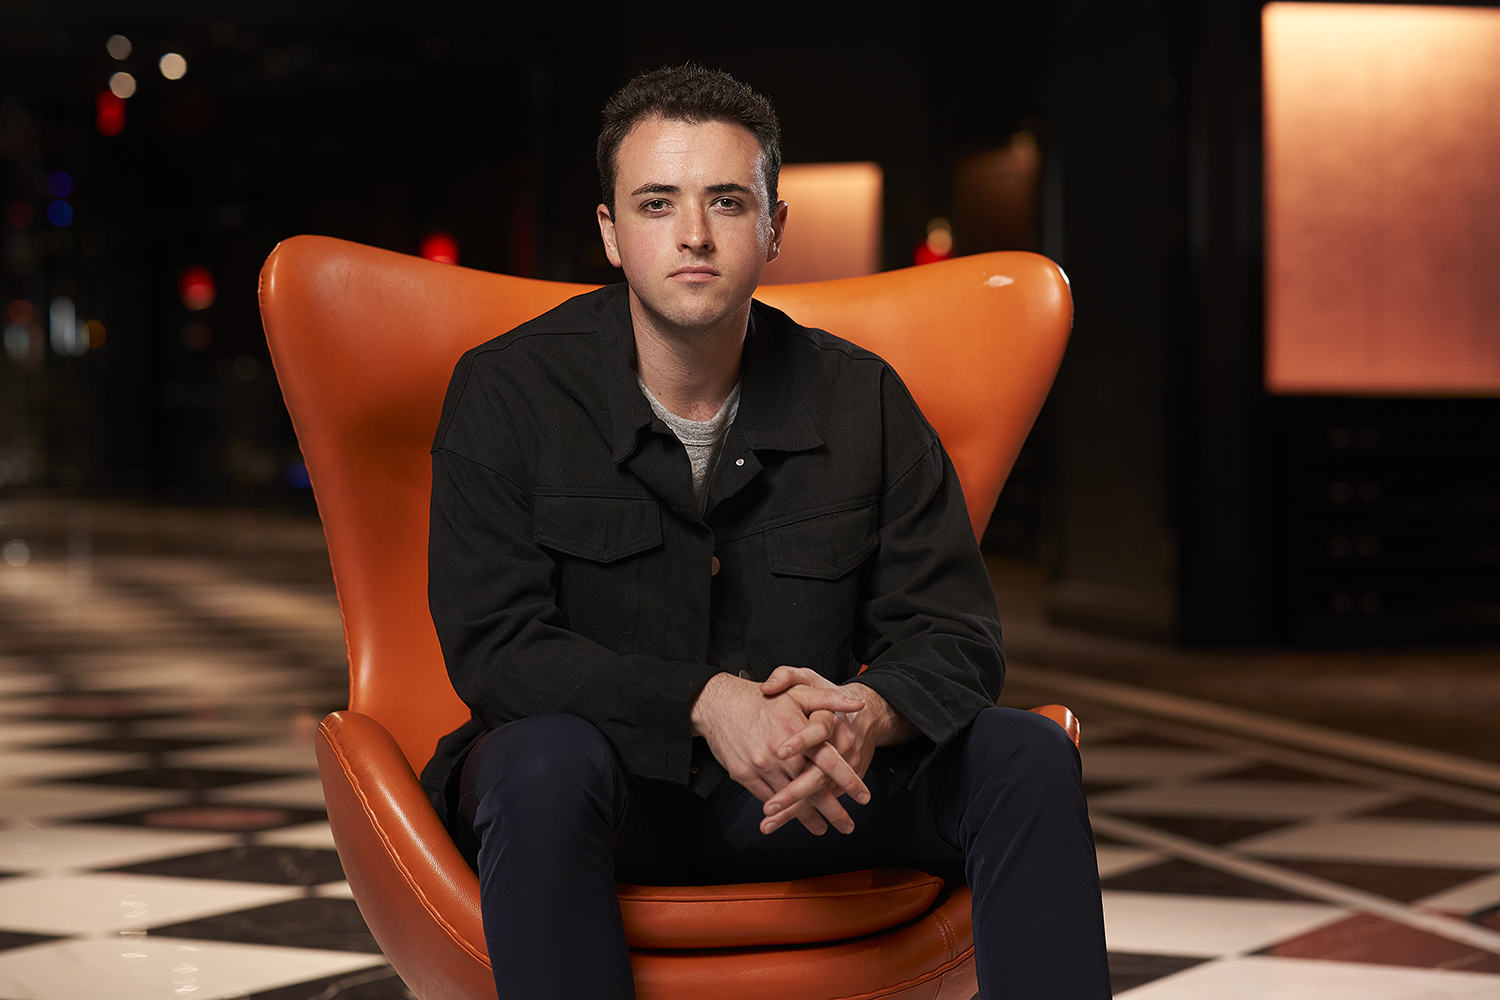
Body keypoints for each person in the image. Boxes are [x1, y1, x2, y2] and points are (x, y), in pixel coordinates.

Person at [420, 63, 1110, 999]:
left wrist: (866, 715)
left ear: (775, 227)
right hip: (599, 800)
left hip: (805, 796)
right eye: (657, 203)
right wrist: (706, 702)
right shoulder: (507, 392)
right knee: (539, 759)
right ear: (611, 233)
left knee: (1022, 755)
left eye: (728, 202)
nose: (694, 234)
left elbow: (954, 634)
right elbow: (496, 648)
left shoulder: (863, 398)